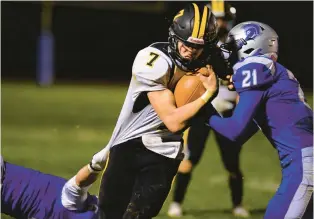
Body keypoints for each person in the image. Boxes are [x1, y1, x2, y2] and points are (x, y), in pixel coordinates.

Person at [67, 3, 235, 219]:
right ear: (174, 36)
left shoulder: (209, 55)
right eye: (186, 44)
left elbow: (231, 72)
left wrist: (233, 79)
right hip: (128, 145)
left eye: (198, 46)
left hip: (165, 152)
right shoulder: (154, 60)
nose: (191, 51)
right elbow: (174, 122)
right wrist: (208, 94)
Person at [208, 21, 313, 219]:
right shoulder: (277, 73)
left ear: (248, 46)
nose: (228, 54)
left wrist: (202, 109)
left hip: (303, 164)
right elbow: (240, 135)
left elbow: (233, 130)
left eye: (232, 48)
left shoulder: (254, 66)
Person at [167, 2, 250, 218]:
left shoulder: (235, 44)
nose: (221, 23)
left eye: (223, 18)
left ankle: (237, 204)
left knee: (232, 161)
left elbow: (240, 77)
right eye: (218, 18)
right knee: (190, 157)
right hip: (203, 108)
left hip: (227, 110)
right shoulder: (199, 45)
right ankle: (176, 203)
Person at [1, 155, 99, 219]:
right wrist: (94, 166)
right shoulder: (76, 205)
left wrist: (95, 166)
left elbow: (79, 183)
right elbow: (78, 184)